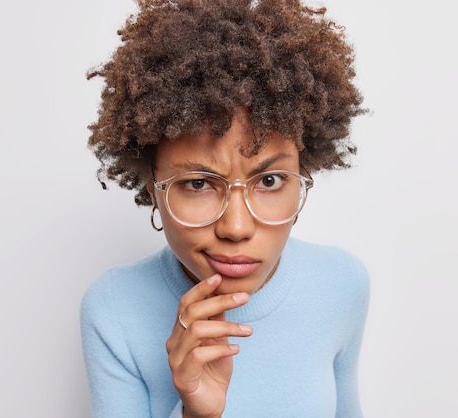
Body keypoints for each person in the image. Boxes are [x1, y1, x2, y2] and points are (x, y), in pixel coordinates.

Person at [80, 0, 370, 417]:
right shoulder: (113, 307)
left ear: (302, 174)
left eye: (269, 181)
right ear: (153, 188)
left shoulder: (343, 283)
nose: (236, 228)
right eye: (198, 184)